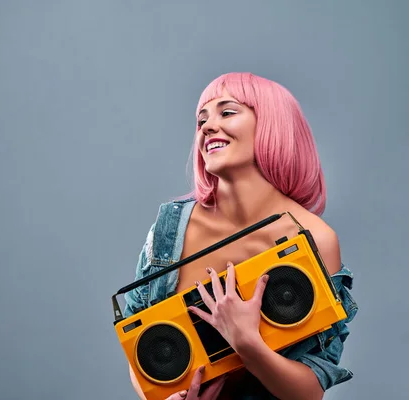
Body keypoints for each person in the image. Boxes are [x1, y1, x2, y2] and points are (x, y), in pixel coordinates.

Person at [123, 72, 358, 400]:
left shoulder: (313, 238)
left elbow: (310, 390)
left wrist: (247, 343)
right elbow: (140, 353)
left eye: (227, 112)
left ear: (272, 124)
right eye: (201, 119)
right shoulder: (169, 229)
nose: (206, 126)